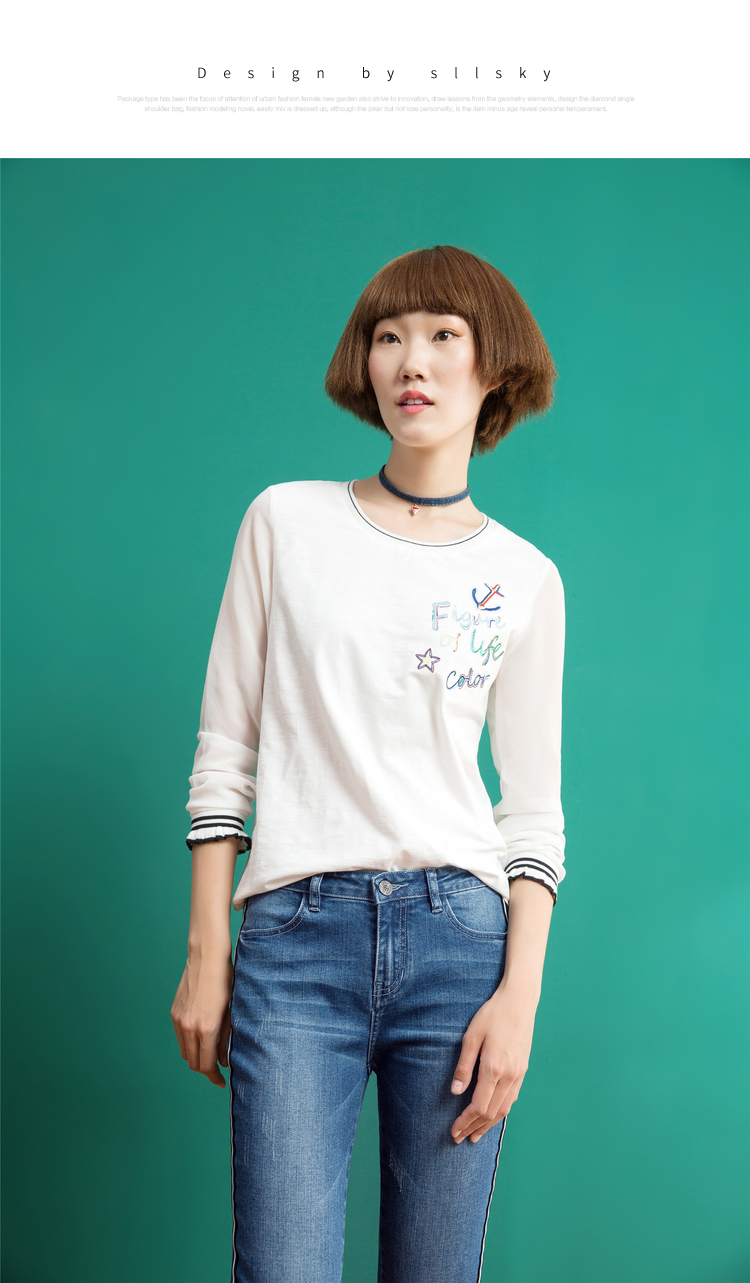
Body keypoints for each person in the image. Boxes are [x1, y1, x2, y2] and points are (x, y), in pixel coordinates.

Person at [171, 244, 566, 1283]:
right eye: (389, 336)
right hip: (298, 941)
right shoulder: (285, 521)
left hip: (462, 948)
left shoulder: (524, 578)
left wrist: (520, 999)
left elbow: (533, 815)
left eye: (442, 335)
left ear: (494, 366)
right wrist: (209, 949)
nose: (410, 360)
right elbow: (225, 750)